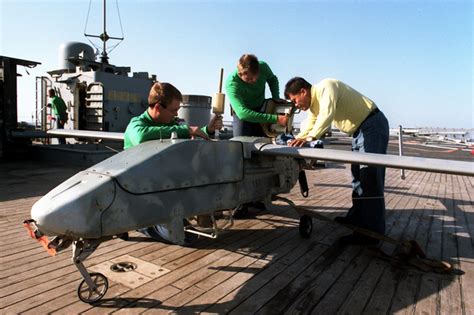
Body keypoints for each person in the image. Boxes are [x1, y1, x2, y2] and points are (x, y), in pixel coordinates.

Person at [284, 77, 389, 245]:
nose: (296, 105)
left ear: (303, 91)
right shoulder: (314, 105)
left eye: (295, 100)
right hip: (358, 131)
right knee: (357, 176)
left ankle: (372, 233)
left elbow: (326, 115)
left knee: (369, 178)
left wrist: (310, 137)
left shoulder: (327, 86)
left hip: (372, 125)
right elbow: (311, 123)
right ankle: (357, 218)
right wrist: (297, 139)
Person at [124, 82, 223, 244]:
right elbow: (141, 137)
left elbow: (187, 132)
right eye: (174, 110)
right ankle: (139, 223)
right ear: (157, 107)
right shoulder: (137, 124)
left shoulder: (169, 124)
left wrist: (208, 130)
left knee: (186, 234)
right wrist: (188, 130)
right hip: (140, 194)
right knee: (184, 236)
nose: (176, 114)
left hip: (165, 189)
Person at [225, 54, 288, 137]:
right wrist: (276, 118)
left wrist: (276, 98)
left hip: (261, 108)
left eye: (256, 77)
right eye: (249, 79)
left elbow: (272, 79)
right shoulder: (232, 84)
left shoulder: (263, 66)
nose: (254, 80)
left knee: (264, 141)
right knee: (241, 143)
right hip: (243, 113)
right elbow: (242, 113)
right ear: (240, 74)